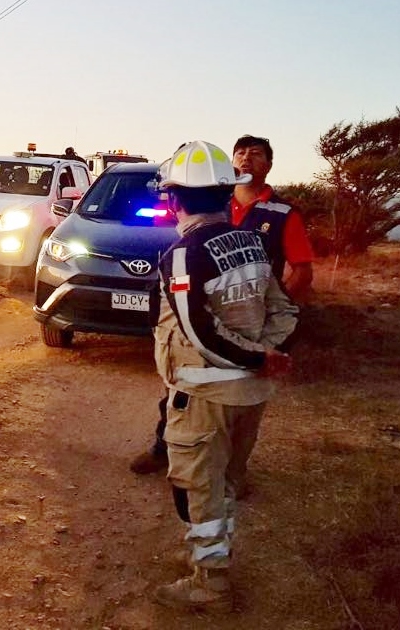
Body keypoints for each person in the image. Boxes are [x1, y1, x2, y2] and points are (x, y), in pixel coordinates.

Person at [151, 141, 298, 611]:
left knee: (199, 487)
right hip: (249, 396)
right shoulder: (252, 241)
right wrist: (270, 353)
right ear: (225, 193)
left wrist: (258, 359)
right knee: (225, 482)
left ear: (172, 199)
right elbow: (284, 308)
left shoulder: (181, 253)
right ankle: (207, 554)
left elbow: (200, 331)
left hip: (204, 395)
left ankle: (210, 583)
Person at [130, 134, 315, 476]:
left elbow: (301, 270)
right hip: (198, 321)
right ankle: (166, 450)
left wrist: (269, 332)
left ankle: (227, 477)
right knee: (178, 393)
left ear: (268, 165)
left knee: (237, 402)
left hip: (247, 320)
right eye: (240, 152)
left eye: (256, 154)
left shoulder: (282, 214)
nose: (247, 158)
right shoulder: (212, 204)